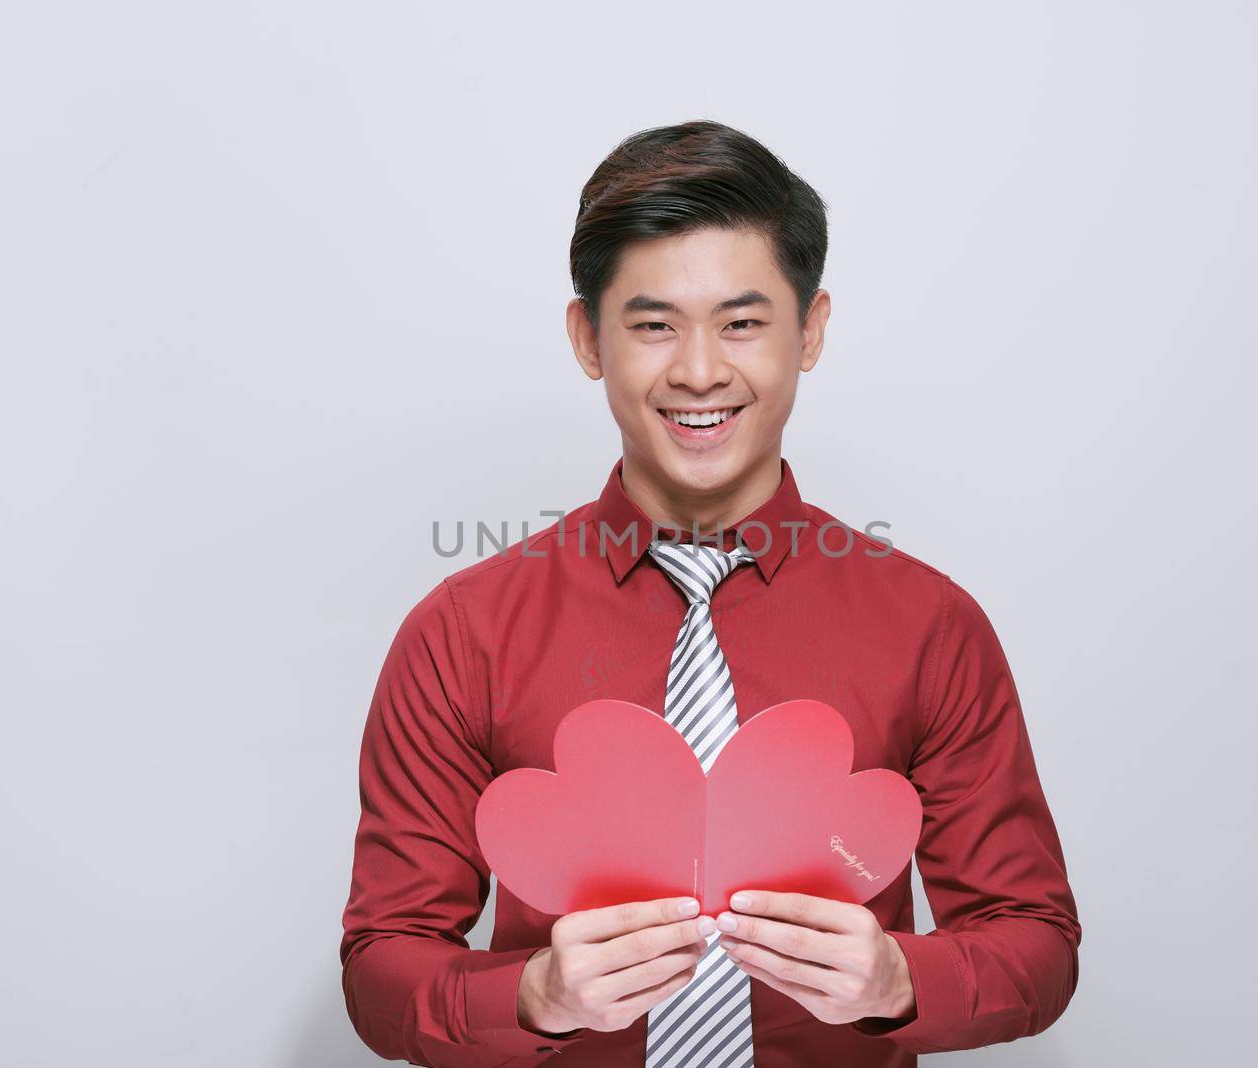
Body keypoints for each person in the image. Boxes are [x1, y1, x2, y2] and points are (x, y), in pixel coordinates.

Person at [340, 118, 1081, 1067]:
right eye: (653, 325)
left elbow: (1037, 942)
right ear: (587, 338)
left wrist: (902, 982)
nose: (698, 371)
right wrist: (532, 995)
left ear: (809, 331)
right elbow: (380, 966)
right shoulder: (463, 634)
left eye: (742, 322)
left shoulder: (931, 628)